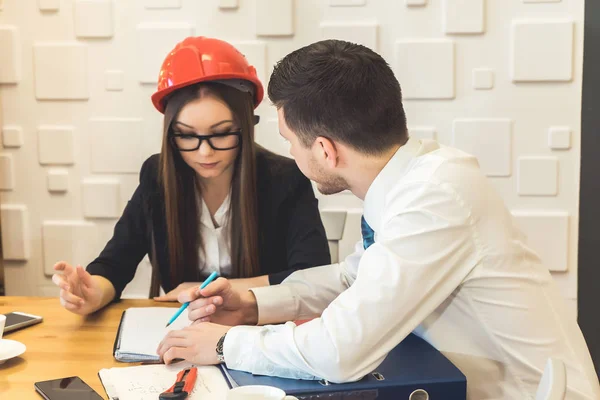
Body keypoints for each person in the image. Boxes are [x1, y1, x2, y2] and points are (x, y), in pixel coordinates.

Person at [157, 39, 600, 399]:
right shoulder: (415, 179)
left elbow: (340, 352)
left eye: (291, 141)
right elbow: (356, 278)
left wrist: (222, 344)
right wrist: (254, 304)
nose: (290, 154)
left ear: (326, 150)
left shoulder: (435, 199)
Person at [51, 36, 330, 316]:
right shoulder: (156, 177)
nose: (205, 152)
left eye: (221, 133)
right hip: (184, 334)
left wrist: (215, 289)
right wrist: (91, 292)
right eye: (186, 135)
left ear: (246, 125)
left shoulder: (285, 179)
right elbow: (114, 264)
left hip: (264, 332)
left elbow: (312, 277)